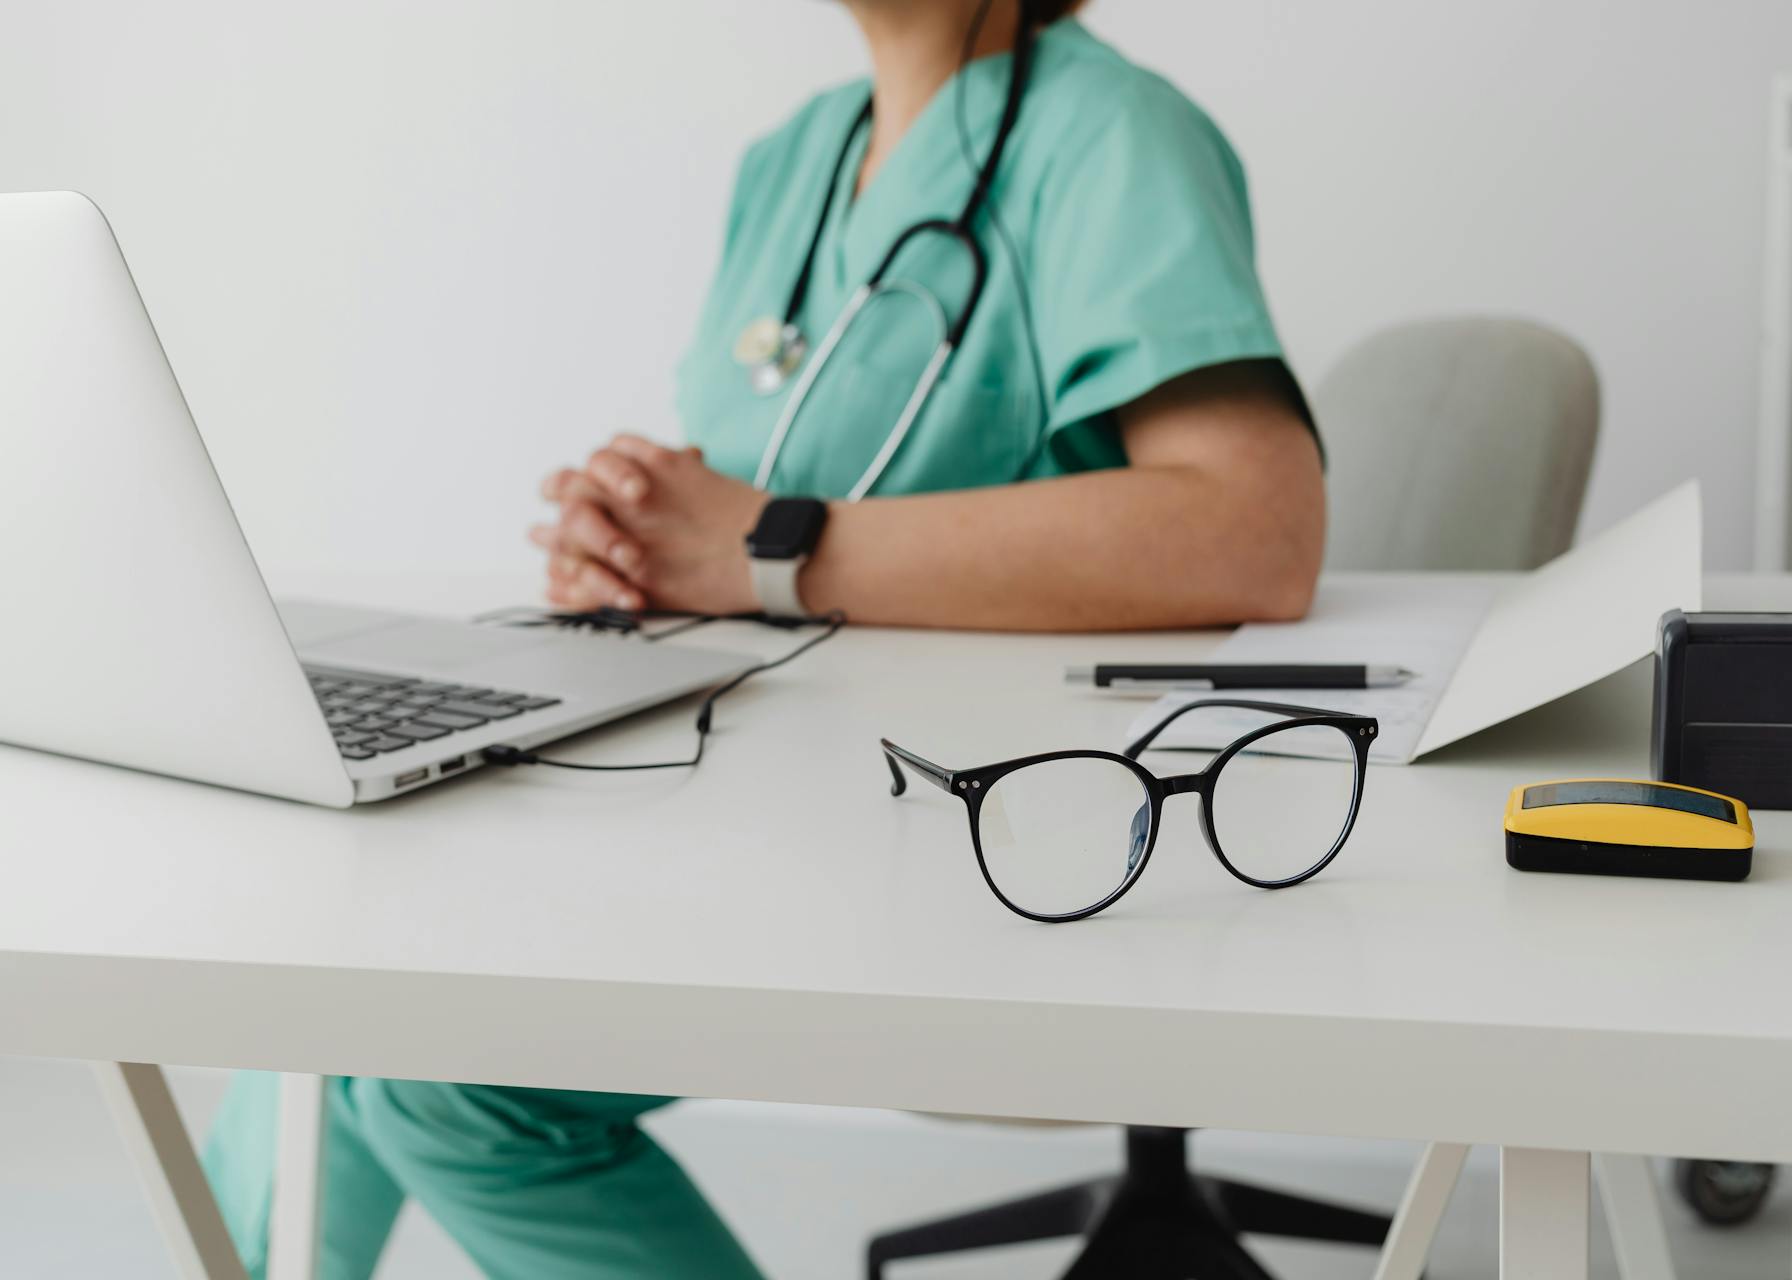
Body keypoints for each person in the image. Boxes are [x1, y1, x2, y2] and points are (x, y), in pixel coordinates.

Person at [203, 1, 1326, 1276]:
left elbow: (1253, 534)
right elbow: (762, 507)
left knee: (445, 1081)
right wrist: (642, 549)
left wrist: (760, 544)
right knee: (361, 977)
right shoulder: (794, 158)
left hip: (997, 837)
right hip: (780, 789)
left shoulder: (1117, 135)